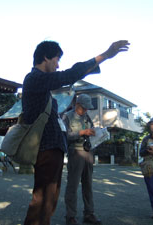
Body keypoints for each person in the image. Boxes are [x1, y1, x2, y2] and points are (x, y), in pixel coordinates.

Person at [22, 40, 129, 225]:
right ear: (46, 57)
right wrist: (104, 55)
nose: (58, 64)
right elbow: (69, 75)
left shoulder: (39, 82)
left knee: (47, 201)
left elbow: (68, 74)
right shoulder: (34, 78)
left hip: (52, 149)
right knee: (43, 200)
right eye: (56, 59)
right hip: (46, 148)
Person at [62, 94, 100, 225]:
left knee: (88, 184)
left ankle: (89, 213)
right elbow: (65, 135)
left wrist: (96, 133)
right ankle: (70, 216)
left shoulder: (87, 117)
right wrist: (82, 132)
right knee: (72, 185)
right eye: (84, 108)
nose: (86, 110)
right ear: (77, 105)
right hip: (75, 153)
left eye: (87, 108)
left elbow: (92, 130)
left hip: (88, 152)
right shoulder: (67, 116)